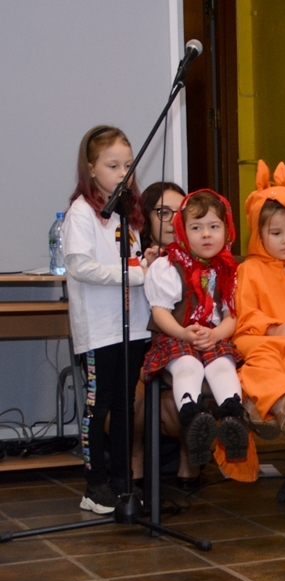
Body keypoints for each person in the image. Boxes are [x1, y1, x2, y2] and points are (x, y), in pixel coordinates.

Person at [63, 125, 153, 514]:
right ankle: (94, 485)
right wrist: (133, 273)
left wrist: (147, 263)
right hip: (100, 329)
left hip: (131, 325)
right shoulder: (82, 213)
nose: (122, 173)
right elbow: (81, 267)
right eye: (112, 165)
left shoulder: (127, 214)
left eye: (128, 165)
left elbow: (131, 263)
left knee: (124, 405)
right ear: (91, 168)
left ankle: (121, 481)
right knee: (98, 406)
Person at [141, 190, 249, 467]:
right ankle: (193, 420)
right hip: (176, 336)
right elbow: (160, 311)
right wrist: (183, 333)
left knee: (223, 364)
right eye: (196, 228)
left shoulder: (229, 269)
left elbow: (232, 316)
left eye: (214, 227)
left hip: (212, 336)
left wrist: (216, 335)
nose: (206, 235)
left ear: (227, 230)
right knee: (188, 365)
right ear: (182, 231)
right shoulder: (168, 265)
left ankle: (232, 418)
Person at [233, 161, 285, 439]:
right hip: (257, 338)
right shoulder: (248, 269)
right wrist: (273, 329)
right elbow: (245, 313)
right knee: (264, 354)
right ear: (259, 235)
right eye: (276, 233)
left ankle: (258, 406)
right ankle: (284, 400)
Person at [129, 182, 200, 489]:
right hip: (140, 350)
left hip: (183, 350)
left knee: (182, 398)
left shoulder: (201, 256)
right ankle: (135, 459)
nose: (172, 220)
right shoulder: (134, 255)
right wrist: (146, 268)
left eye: (180, 212)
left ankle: (189, 460)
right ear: (146, 216)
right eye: (163, 212)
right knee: (133, 397)